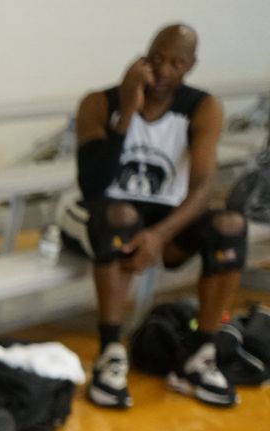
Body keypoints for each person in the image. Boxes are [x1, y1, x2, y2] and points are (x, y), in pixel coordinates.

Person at [57, 23, 247, 410]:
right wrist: (128, 111)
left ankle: (201, 353)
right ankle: (110, 351)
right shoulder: (99, 102)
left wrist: (159, 235)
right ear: (143, 56)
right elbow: (93, 185)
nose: (163, 71)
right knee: (121, 219)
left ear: (190, 66)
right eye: (157, 59)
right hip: (99, 215)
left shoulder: (203, 107)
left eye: (176, 63)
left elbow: (200, 192)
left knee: (230, 226)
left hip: (164, 220)